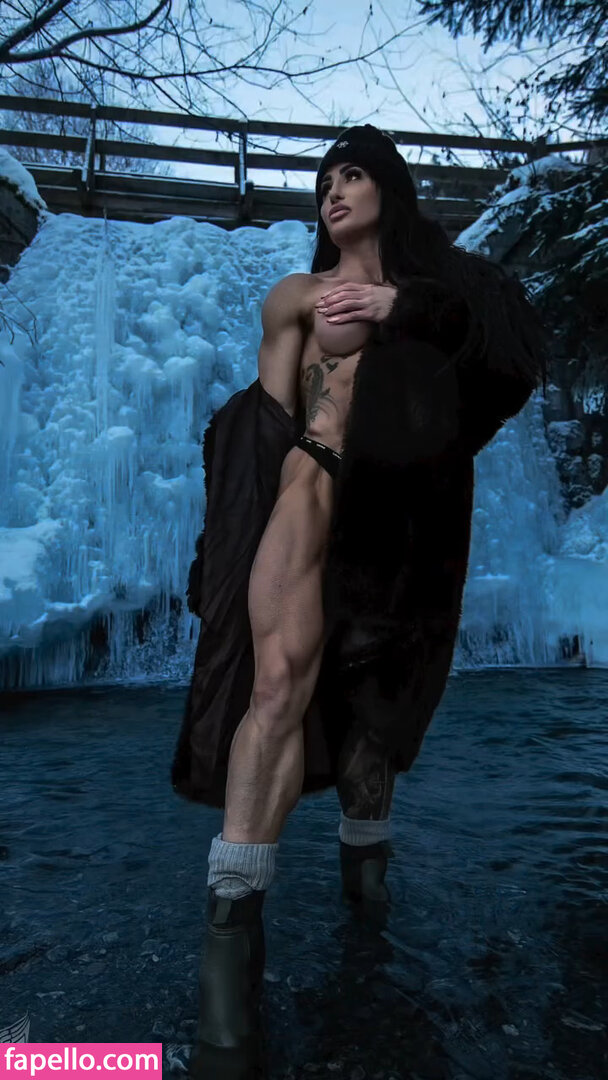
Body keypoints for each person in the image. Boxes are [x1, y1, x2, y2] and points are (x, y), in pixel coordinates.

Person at [171, 124, 551, 1079]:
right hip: (313, 490)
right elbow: (265, 427)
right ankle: (228, 969)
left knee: (374, 726)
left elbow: (508, 353)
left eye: (352, 175)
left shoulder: (447, 289)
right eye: (323, 182)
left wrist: (402, 307)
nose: (333, 192)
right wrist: (227, 550)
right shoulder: (297, 295)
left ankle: (367, 904)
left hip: (404, 528)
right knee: (275, 690)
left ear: (388, 187)